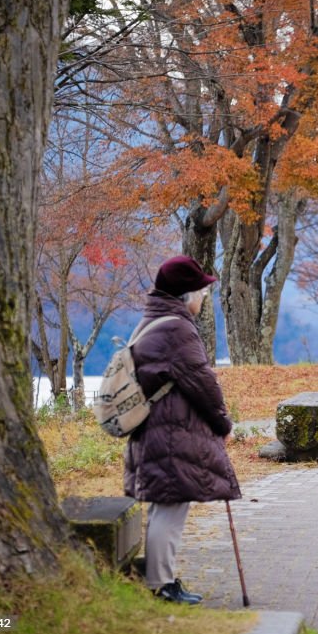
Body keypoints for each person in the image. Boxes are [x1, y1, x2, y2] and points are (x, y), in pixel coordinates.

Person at [125, 255, 241, 605]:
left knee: (166, 505)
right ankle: (161, 584)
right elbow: (202, 383)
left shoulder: (154, 321)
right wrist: (224, 423)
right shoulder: (176, 328)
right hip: (171, 432)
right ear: (185, 295)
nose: (204, 298)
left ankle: (163, 579)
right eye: (201, 291)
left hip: (157, 429)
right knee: (171, 506)